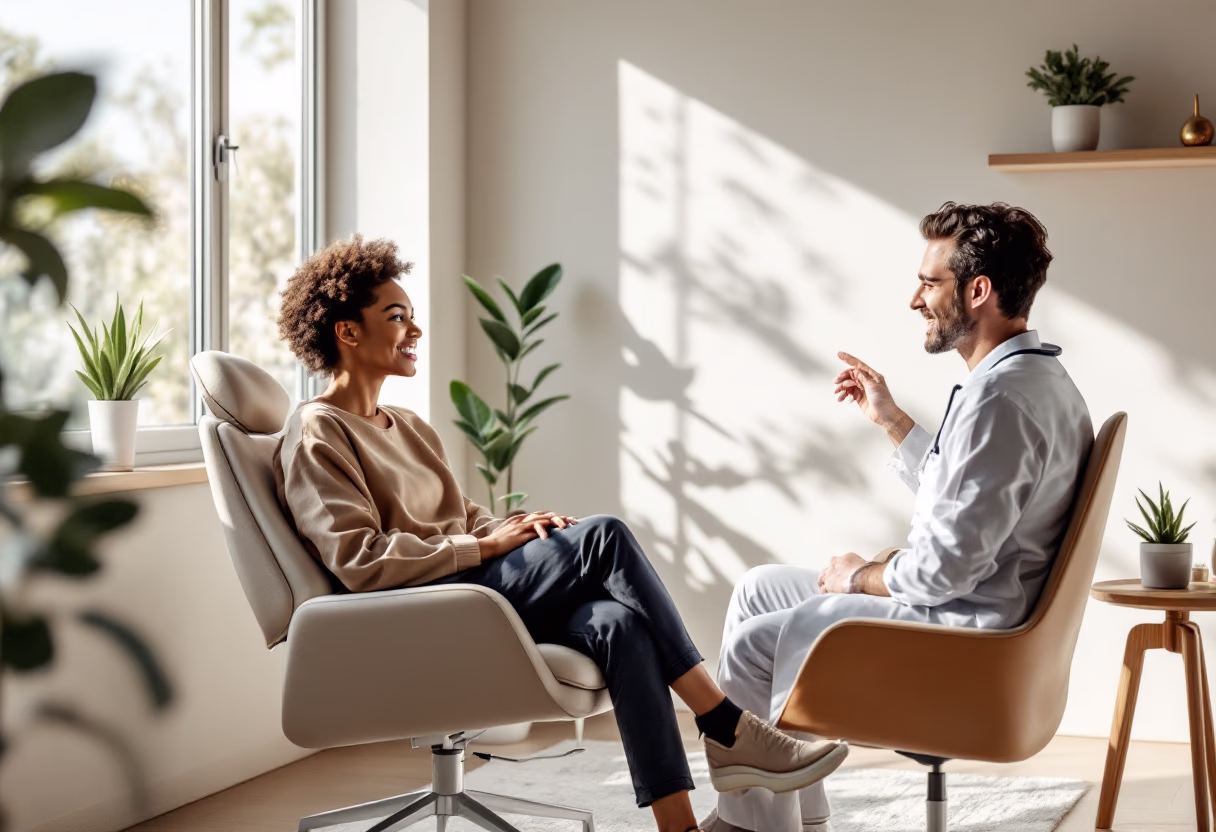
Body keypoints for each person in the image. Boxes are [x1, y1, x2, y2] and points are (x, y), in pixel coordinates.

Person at [271, 235, 848, 832]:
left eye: (414, 316)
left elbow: (465, 518)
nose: (415, 330)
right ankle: (726, 725)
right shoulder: (317, 430)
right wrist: (487, 546)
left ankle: (679, 826)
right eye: (397, 317)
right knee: (605, 538)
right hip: (427, 606)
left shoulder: (408, 426)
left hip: (474, 589)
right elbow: (359, 561)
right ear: (347, 332)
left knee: (617, 624)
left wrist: (513, 530)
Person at [702, 203, 1094, 832]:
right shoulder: (1034, 379)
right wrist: (891, 420)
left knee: (753, 646)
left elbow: (945, 570)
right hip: (978, 610)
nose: (915, 299)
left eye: (929, 282)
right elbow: (968, 496)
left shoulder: (1000, 400)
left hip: (966, 641)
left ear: (978, 290)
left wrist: (860, 575)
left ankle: (749, 826)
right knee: (758, 589)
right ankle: (798, 821)